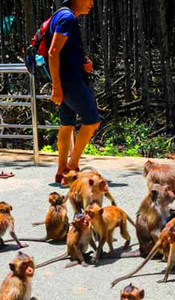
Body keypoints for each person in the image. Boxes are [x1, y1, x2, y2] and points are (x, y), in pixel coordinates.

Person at [48, 0, 100, 184]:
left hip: (68, 78)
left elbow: (63, 53)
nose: (92, 3)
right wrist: (57, 86)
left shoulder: (60, 15)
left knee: (67, 124)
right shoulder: (68, 18)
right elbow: (53, 52)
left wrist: (84, 64)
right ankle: (71, 168)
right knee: (92, 121)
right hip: (69, 82)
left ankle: (61, 169)